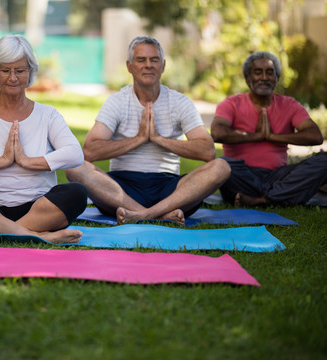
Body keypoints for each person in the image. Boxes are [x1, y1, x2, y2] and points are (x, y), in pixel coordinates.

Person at [65, 36, 230, 225]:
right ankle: (158, 215)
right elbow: (89, 151)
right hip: (121, 191)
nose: (148, 65)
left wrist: (159, 139)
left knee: (221, 166)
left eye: (154, 60)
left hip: (170, 190)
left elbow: (207, 151)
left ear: (163, 65)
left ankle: (141, 215)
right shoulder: (117, 101)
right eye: (141, 60)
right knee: (73, 165)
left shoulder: (179, 102)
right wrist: (139, 138)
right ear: (129, 66)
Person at [0, 35, 87, 244]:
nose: (13, 77)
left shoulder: (48, 114)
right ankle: (39, 235)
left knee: (77, 192)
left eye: (20, 70)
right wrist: (2, 160)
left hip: (38, 208)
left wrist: (28, 161)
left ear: (30, 72)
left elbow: (75, 153)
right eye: (5, 70)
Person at [211, 51, 326, 206]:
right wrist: (256, 135)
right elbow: (217, 133)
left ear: (276, 79)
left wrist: (273, 137)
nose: (264, 77)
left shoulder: (289, 104)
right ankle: (280, 195)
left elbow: (315, 136)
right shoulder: (231, 104)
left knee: (324, 161)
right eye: (258, 73)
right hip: (242, 175)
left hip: (277, 176)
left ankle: (263, 200)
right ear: (247, 79)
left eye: (270, 73)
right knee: (222, 164)